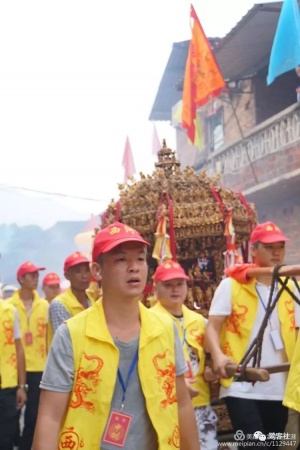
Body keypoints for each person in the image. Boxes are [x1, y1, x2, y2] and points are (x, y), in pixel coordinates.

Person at [33, 221, 200, 450]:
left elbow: (181, 404)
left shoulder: (164, 328)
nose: (134, 267)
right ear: (97, 271)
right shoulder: (71, 334)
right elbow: (50, 418)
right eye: (121, 260)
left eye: (140, 259)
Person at [205, 221, 300, 447]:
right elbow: (212, 327)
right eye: (269, 247)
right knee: (254, 444)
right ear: (253, 250)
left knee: (275, 443)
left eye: (280, 246)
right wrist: (218, 356)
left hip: (280, 387)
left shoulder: (291, 285)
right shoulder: (231, 285)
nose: (277, 252)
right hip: (241, 384)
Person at [152, 260, 218, 450]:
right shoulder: (148, 322)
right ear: (156, 289)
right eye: (168, 285)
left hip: (200, 402)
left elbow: (208, 360)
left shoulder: (199, 322)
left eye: (179, 284)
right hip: (166, 406)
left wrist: (212, 371)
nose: (175, 290)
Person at [8, 261, 49, 450]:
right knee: (11, 414)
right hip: (13, 367)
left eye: (37, 275)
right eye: (31, 275)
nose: (36, 278)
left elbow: (49, 336)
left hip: (39, 367)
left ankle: (24, 446)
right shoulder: (9, 307)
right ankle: (13, 439)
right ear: (21, 279)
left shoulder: (44, 305)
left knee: (33, 415)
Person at [48, 252, 95, 342]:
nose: (84, 276)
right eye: (78, 271)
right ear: (67, 276)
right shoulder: (59, 304)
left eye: (87, 270)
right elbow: (65, 341)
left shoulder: (91, 300)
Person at [0, 299, 27, 450]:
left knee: (6, 438)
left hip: (7, 386)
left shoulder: (10, 311)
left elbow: (19, 349)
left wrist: (22, 386)